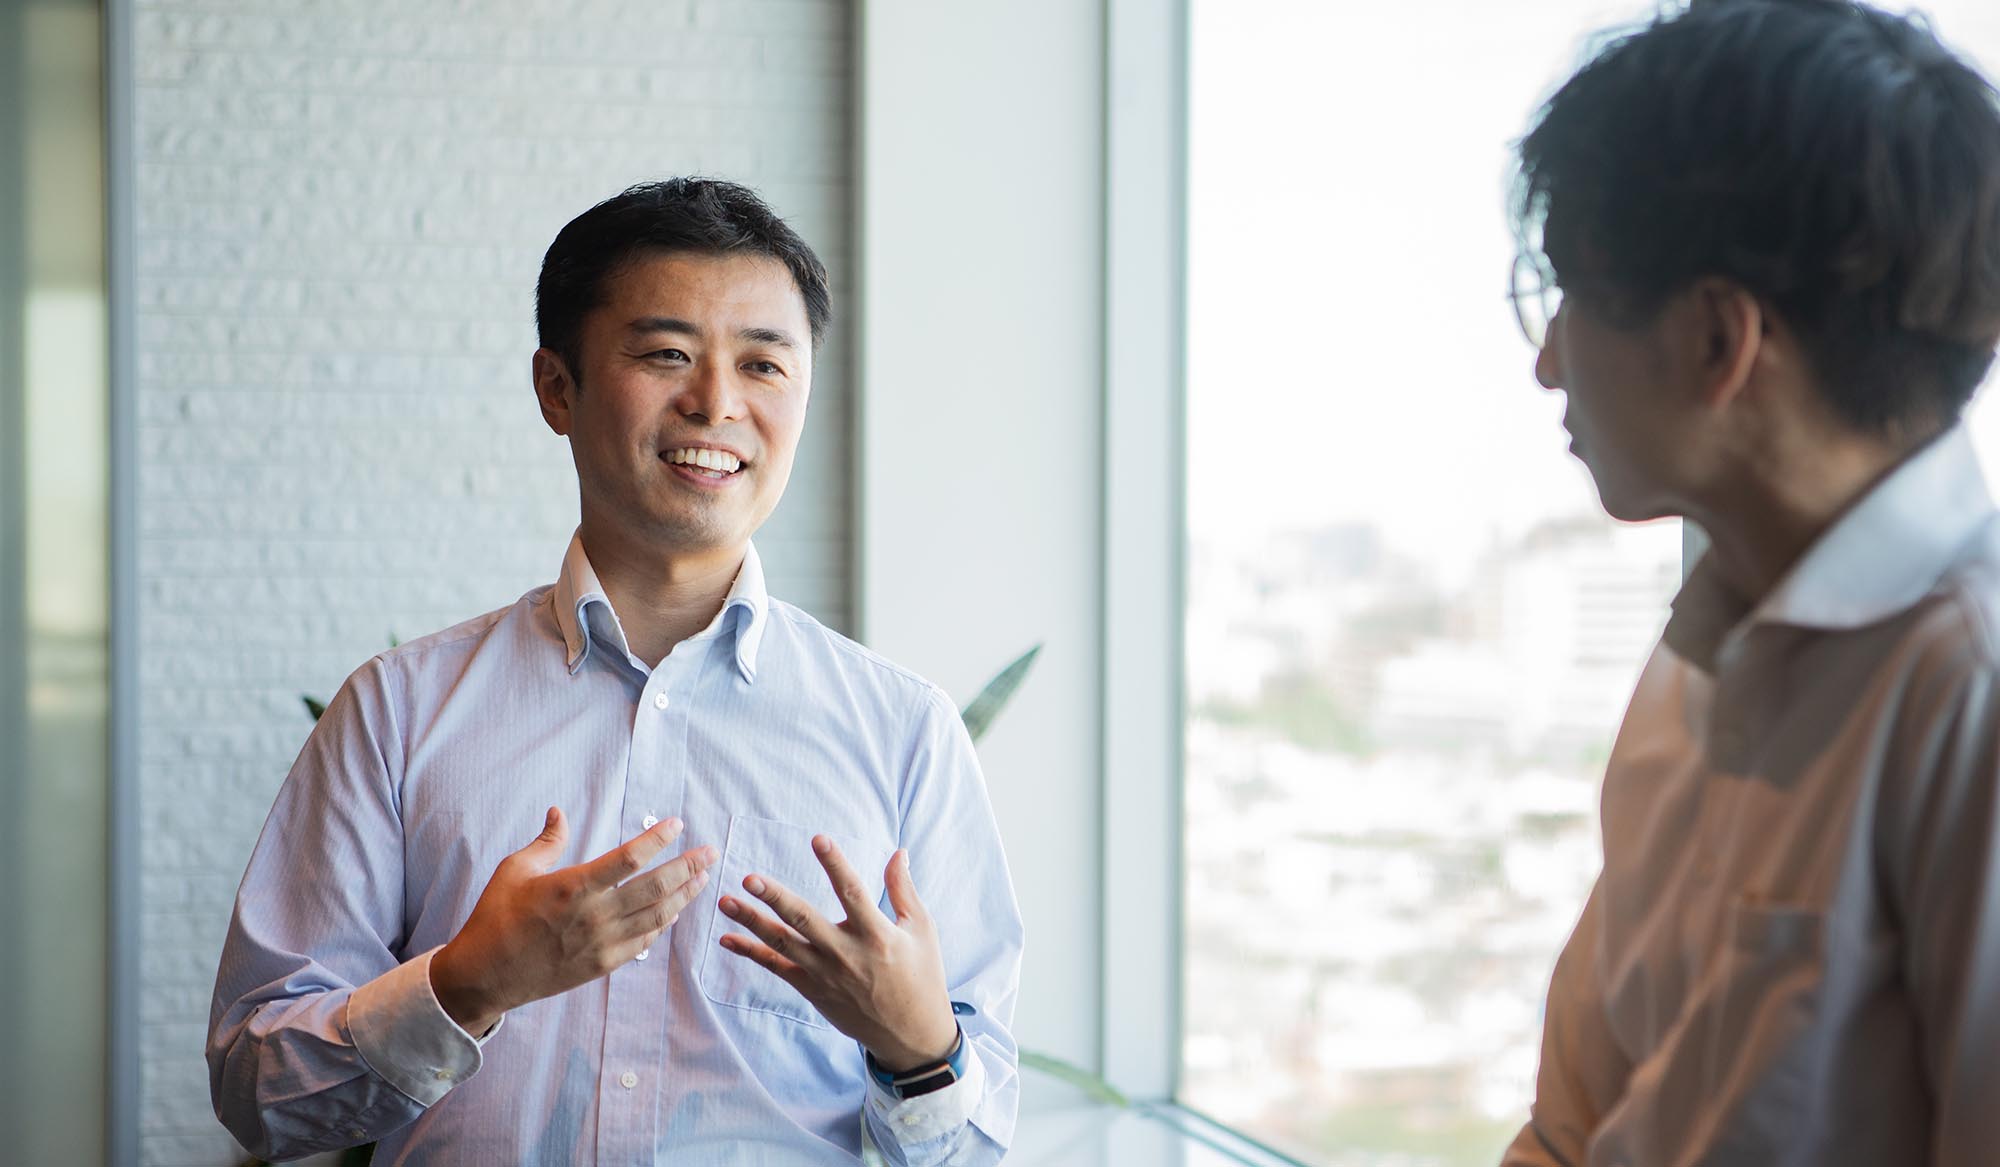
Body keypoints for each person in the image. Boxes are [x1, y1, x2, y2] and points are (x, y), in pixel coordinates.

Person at [208, 178, 1023, 1165]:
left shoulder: (903, 732)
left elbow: (978, 1150)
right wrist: (464, 985)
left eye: (763, 363)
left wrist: (917, 1049)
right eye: (666, 354)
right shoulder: (398, 710)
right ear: (559, 387)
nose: (716, 402)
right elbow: (256, 1094)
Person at [1501, 2, 2000, 1164]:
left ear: (1718, 341)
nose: (1543, 364)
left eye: (1568, 295)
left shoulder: (1965, 695)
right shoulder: (1691, 670)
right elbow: (1571, 1128)